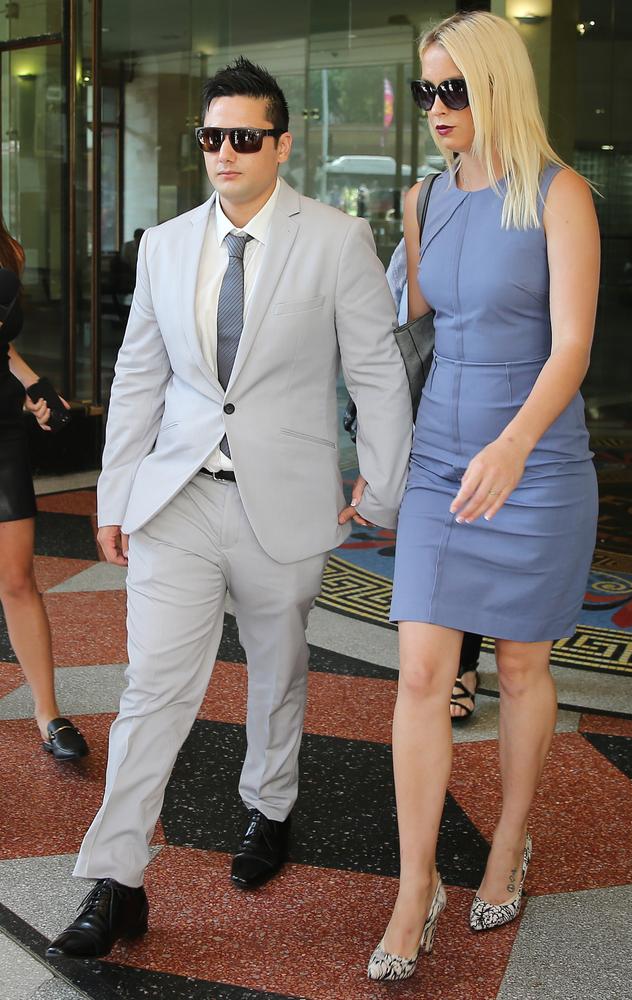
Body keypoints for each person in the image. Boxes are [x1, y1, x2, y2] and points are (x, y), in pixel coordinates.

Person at [47, 56, 412, 960]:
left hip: (283, 504)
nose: (225, 153)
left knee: (276, 675)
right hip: (178, 501)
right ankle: (117, 879)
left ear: (282, 144)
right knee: (151, 691)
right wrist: (116, 494)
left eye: (245, 137)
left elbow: (374, 368)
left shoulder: (334, 240)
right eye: (213, 137)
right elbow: (139, 378)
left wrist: (385, 478)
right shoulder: (166, 244)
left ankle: (270, 808)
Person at [368, 10, 599, 982]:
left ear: (497, 86)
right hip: (438, 457)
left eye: (453, 88)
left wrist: (511, 444)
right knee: (420, 673)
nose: (435, 108)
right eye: (425, 90)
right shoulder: (426, 197)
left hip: (533, 459)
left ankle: (508, 839)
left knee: (515, 670)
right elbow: (409, 312)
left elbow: (574, 346)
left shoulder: (559, 193)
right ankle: (413, 884)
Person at [347, 234, 483, 721]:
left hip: (496, 409)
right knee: (436, 548)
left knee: (475, 539)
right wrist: (377, 454)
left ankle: (465, 665)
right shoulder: (424, 215)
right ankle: (450, 667)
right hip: (430, 410)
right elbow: (395, 349)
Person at [0, 217, 89, 761]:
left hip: (2, 429)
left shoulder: (8, 248)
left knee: (17, 578)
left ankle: (48, 712)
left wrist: (34, 384)